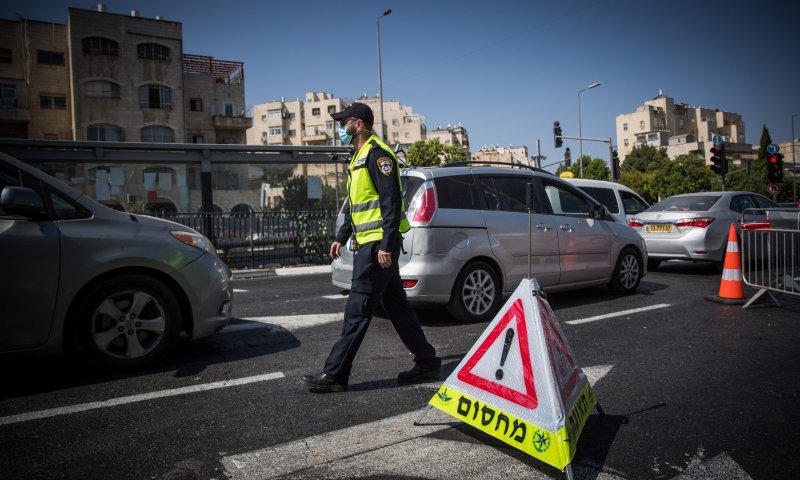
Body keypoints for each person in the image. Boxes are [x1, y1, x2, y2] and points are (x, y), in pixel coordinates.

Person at [302, 102, 441, 393]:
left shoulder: (379, 155)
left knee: (357, 308)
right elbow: (359, 205)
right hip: (368, 243)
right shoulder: (359, 156)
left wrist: (387, 245)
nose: (342, 128)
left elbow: (390, 204)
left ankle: (336, 374)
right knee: (397, 308)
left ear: (360, 124)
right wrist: (341, 235)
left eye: (346, 122)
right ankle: (427, 361)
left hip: (377, 247)